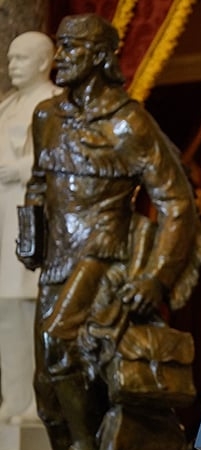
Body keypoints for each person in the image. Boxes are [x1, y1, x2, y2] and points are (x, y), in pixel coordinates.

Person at [17, 14, 201, 450]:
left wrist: (156, 278)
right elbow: (39, 184)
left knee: (60, 343)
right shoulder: (47, 117)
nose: (61, 59)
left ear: (100, 57)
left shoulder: (128, 123)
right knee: (47, 380)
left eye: (72, 49)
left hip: (105, 257)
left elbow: (177, 203)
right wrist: (30, 236)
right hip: (57, 259)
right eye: (59, 47)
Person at [0, 31, 61, 424]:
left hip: (35, 221)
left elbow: (60, 157)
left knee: (33, 311)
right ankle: (14, 396)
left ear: (44, 61)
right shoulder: (6, 105)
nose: (12, 65)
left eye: (22, 58)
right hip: (4, 217)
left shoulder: (56, 103)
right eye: (10, 58)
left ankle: (40, 404)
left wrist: (22, 169)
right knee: (6, 313)